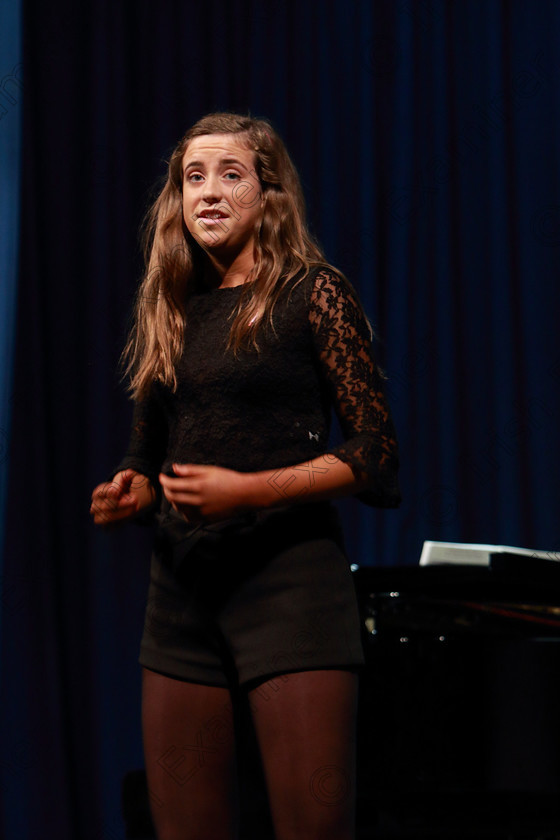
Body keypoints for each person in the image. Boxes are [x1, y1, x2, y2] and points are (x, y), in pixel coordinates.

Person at [90, 112, 400, 840]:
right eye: (193, 178)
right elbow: (149, 448)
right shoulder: (172, 301)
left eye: (231, 174)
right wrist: (132, 487)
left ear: (271, 194)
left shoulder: (313, 293)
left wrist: (249, 491)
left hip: (289, 589)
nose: (208, 192)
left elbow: (377, 454)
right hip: (183, 596)